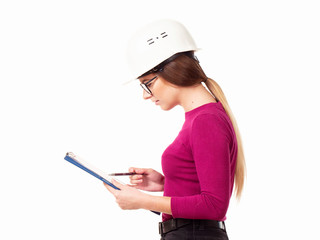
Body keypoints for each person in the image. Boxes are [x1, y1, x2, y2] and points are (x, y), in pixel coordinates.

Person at [104, 19, 246, 240]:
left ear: (172, 70)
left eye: (147, 83)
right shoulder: (201, 118)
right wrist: (167, 182)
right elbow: (202, 188)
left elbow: (214, 206)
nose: (145, 95)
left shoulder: (206, 120)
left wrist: (141, 200)